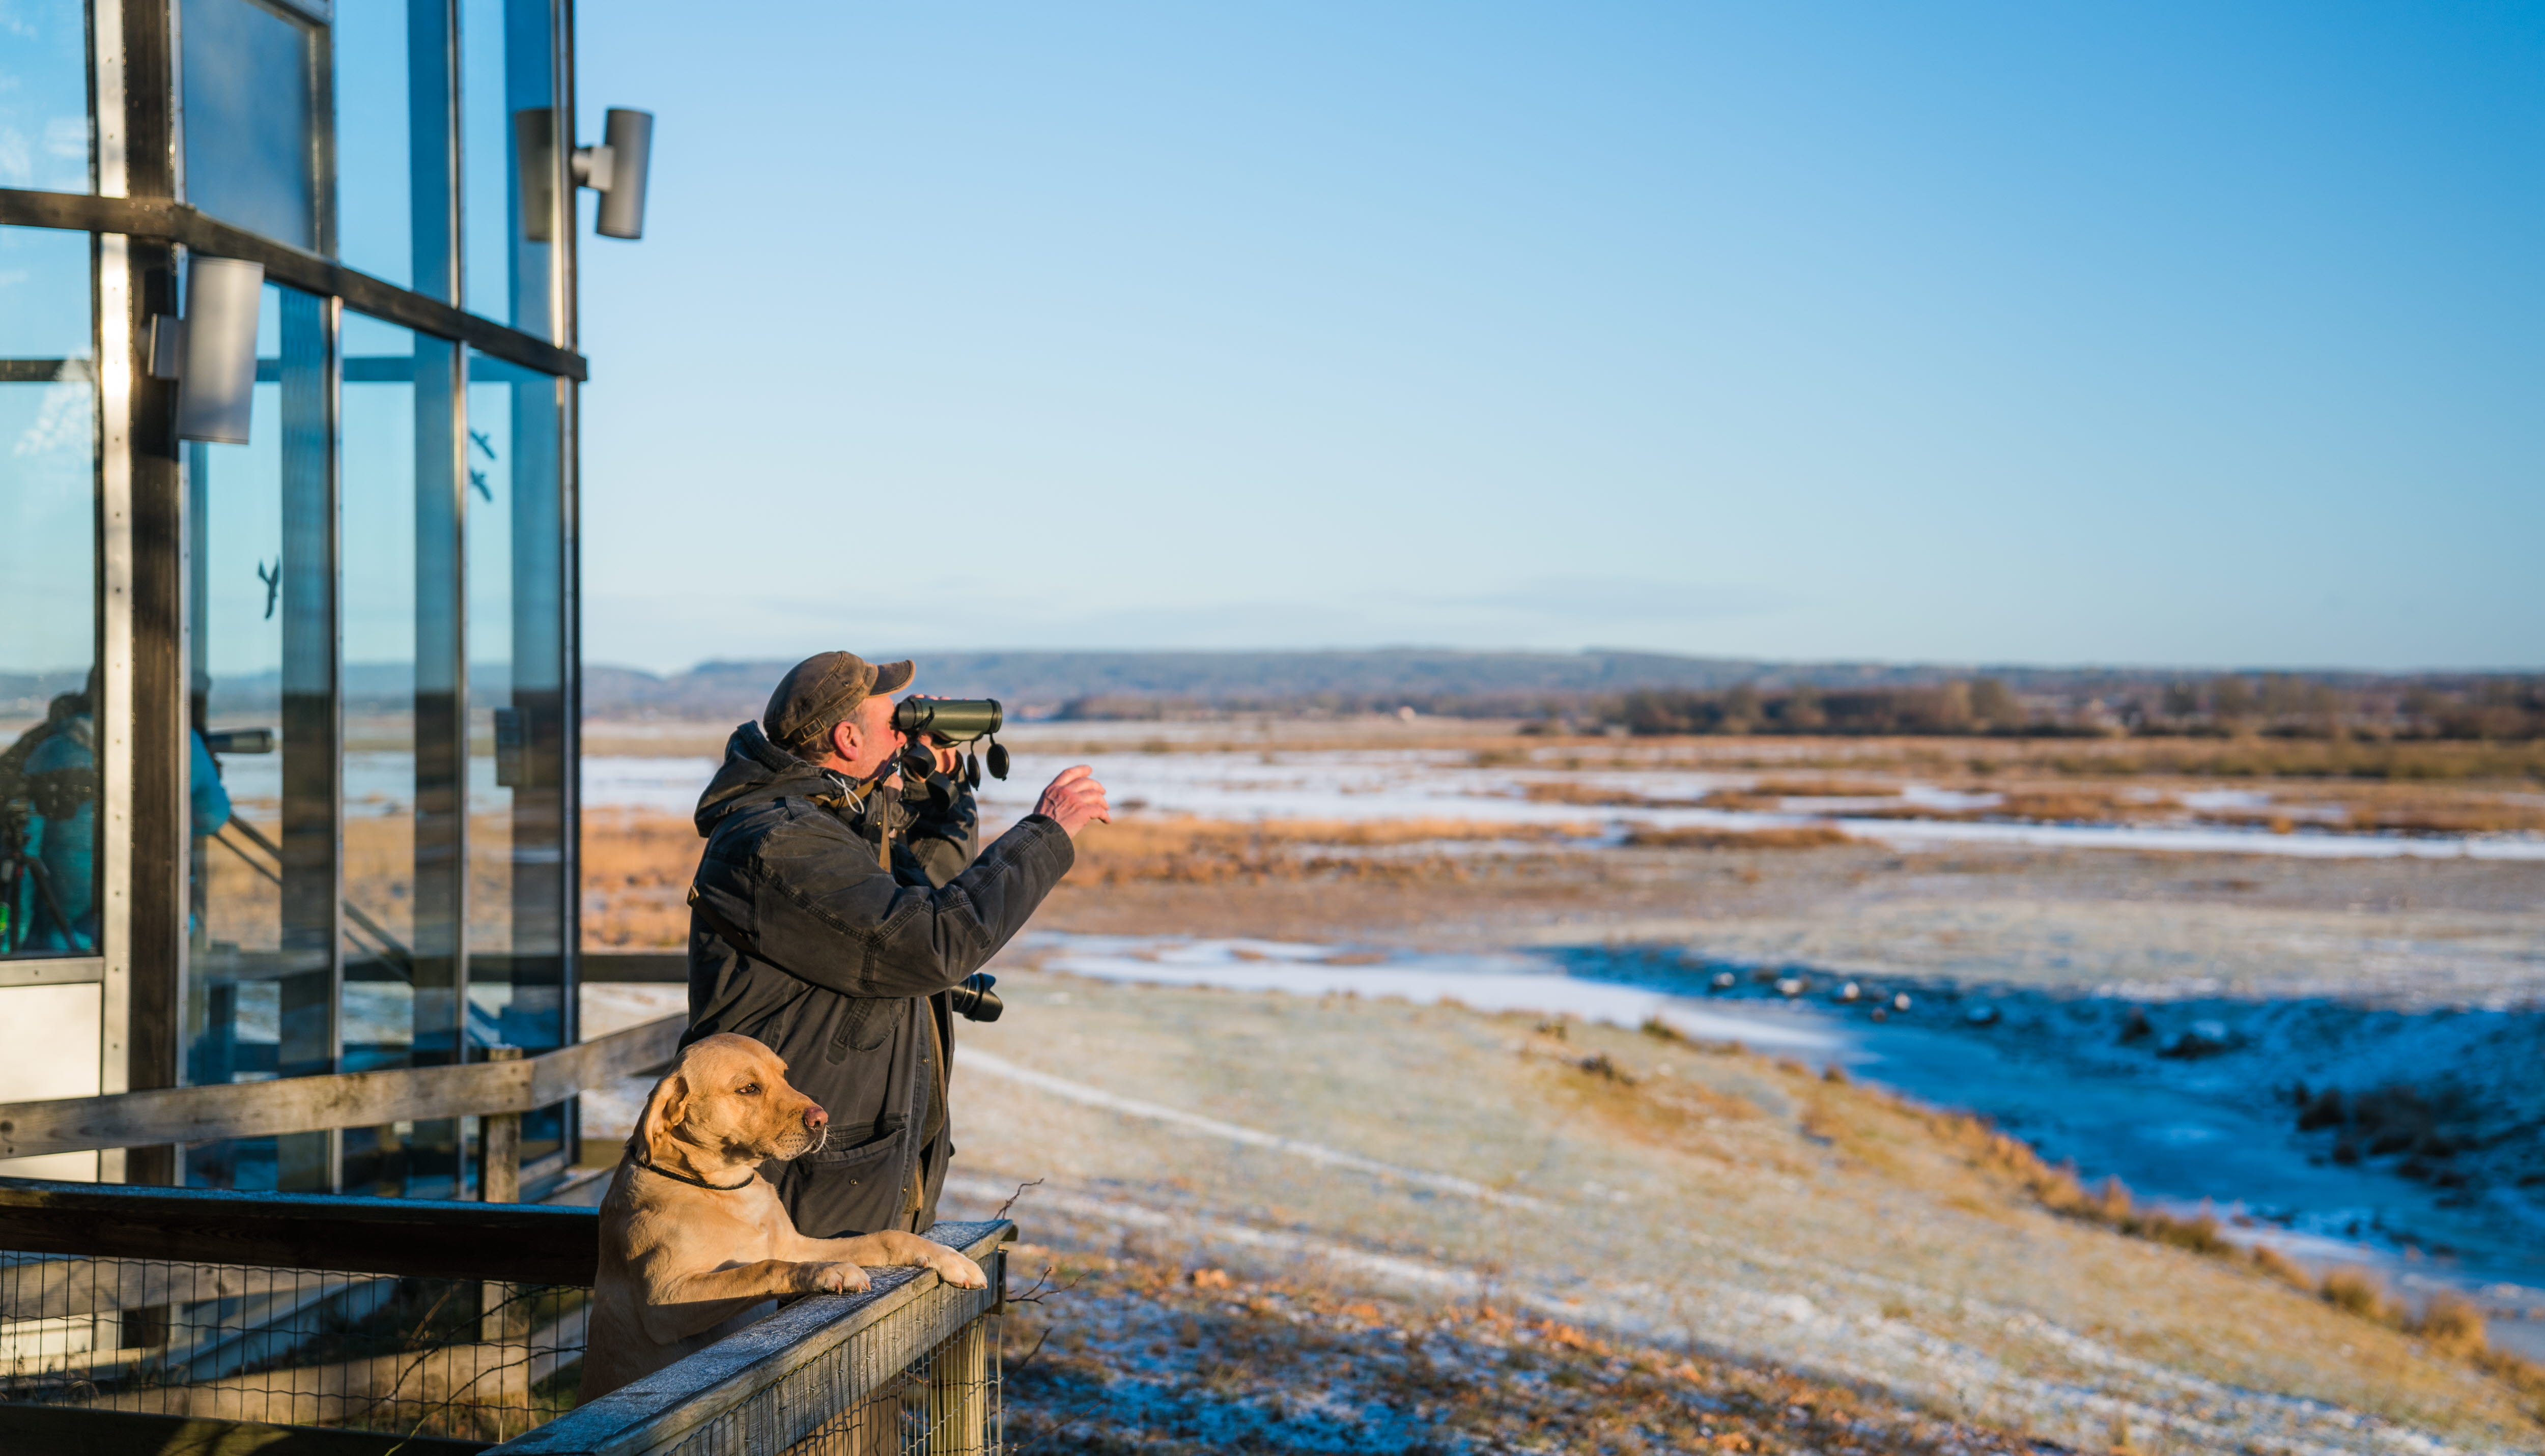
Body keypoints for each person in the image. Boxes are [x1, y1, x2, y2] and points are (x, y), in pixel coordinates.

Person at [681, 651, 1109, 1239]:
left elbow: (919, 893)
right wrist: (1045, 833)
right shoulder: (779, 841)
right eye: (897, 720)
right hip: (796, 1187)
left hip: (851, 1164)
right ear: (847, 737)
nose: (909, 728)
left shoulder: (828, 819)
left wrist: (940, 790)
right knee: (784, 1332)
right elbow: (929, 942)